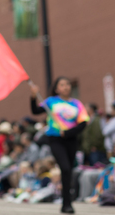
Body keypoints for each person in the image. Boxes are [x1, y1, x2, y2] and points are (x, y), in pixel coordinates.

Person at [30, 77, 89, 214]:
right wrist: (33, 97)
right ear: (57, 89)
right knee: (65, 167)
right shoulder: (51, 102)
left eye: (68, 84)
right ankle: (66, 202)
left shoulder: (77, 104)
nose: (66, 87)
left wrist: (68, 132)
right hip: (55, 140)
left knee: (69, 170)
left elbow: (83, 123)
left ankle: (66, 203)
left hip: (71, 139)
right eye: (62, 85)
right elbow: (35, 111)